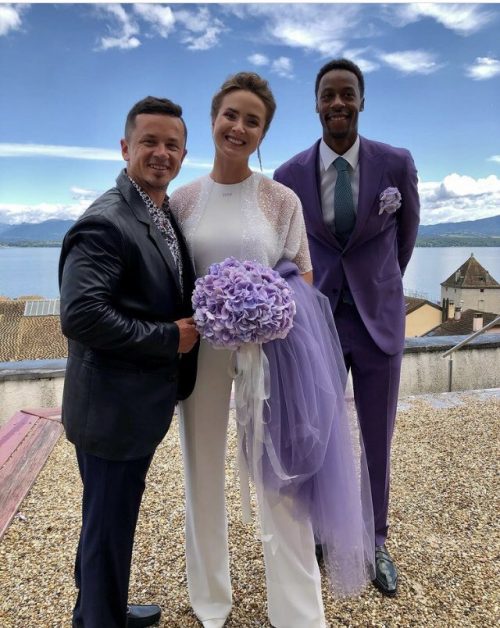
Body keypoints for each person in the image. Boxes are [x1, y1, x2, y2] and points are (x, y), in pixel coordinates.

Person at [170, 72, 374, 628]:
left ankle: (298, 612)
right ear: (213, 119)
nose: (239, 127)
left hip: (271, 352)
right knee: (202, 471)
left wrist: (265, 308)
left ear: (263, 132)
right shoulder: (183, 201)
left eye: (252, 121)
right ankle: (211, 601)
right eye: (231, 115)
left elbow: (303, 276)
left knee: (282, 476)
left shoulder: (281, 199)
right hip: (201, 350)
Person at [274, 58, 421, 597]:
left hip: (378, 322)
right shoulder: (288, 175)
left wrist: (377, 286)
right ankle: (317, 531)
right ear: (316, 104)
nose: (338, 103)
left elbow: (406, 237)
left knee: (377, 438)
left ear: (361, 100)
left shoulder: (395, 164)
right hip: (318, 325)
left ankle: (376, 540)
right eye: (328, 94)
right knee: (316, 433)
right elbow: (288, 248)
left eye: (347, 93)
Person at [59, 96, 199, 628]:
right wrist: (169, 338)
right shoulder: (106, 221)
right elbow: (81, 315)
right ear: (125, 147)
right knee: (107, 527)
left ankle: (102, 609)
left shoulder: (159, 210)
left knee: (107, 522)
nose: (161, 153)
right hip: (111, 410)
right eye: (149, 142)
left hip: (130, 405)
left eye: (172, 145)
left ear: (183, 154)